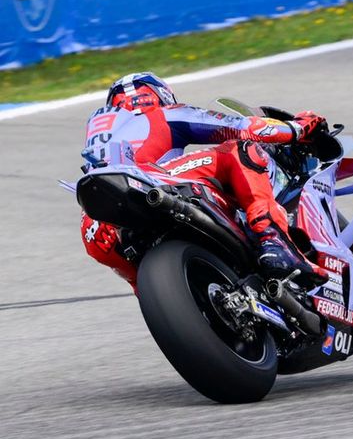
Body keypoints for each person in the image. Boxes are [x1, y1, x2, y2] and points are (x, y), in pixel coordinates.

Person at [80, 72, 326, 288]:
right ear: (161, 95)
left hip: (97, 225)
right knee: (239, 150)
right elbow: (244, 127)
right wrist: (299, 128)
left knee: (139, 281)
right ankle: (272, 240)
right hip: (158, 181)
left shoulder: (104, 142)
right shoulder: (163, 114)